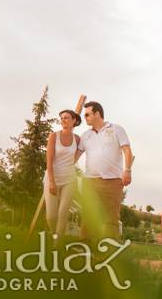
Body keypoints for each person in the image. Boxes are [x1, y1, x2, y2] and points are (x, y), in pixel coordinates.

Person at [77, 101, 132, 242]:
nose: (85, 117)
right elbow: (75, 157)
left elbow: (127, 150)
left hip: (113, 180)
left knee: (112, 219)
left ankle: (109, 250)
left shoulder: (116, 129)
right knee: (89, 215)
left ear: (97, 114)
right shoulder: (85, 135)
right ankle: (84, 250)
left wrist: (127, 170)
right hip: (90, 180)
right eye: (84, 115)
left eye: (87, 114)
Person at [44, 108, 81, 248]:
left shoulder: (77, 139)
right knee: (51, 216)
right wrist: (52, 182)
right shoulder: (54, 136)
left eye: (66, 118)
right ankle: (56, 237)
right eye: (61, 118)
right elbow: (49, 160)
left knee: (62, 214)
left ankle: (56, 246)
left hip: (70, 180)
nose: (63, 120)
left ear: (74, 121)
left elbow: (77, 155)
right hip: (52, 179)